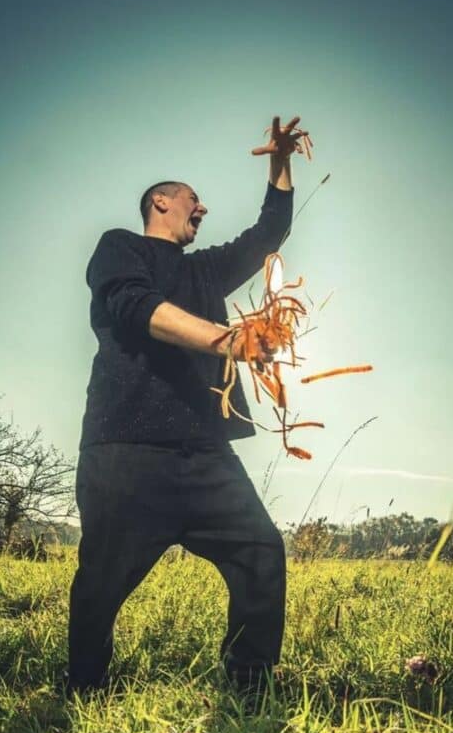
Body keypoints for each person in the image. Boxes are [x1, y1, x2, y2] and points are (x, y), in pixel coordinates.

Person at [66, 116, 310, 696]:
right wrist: (228, 340)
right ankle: (83, 692)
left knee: (260, 551)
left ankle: (250, 690)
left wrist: (280, 162)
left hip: (204, 451)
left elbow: (268, 232)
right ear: (161, 202)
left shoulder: (205, 270)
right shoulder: (119, 248)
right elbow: (136, 307)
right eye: (193, 200)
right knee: (101, 580)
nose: (202, 210)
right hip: (125, 447)